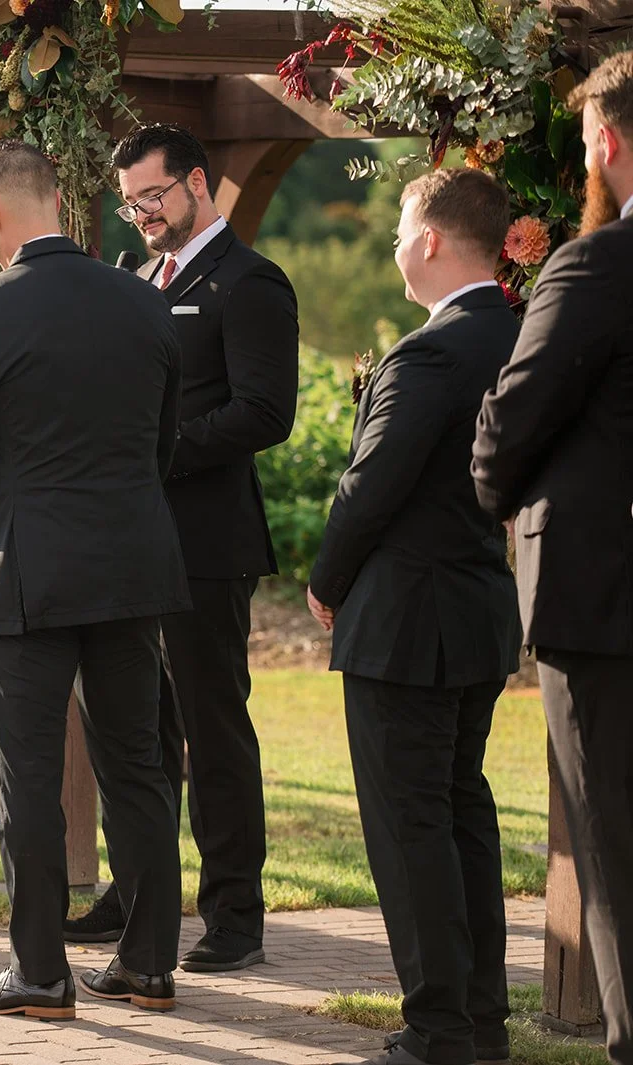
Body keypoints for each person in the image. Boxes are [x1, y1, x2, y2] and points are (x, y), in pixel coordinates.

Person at [0, 140, 188, 1020]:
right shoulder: (145, 301)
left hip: (26, 573)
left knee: (29, 780)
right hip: (132, 565)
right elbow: (162, 441)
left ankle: (40, 973)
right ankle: (150, 965)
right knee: (140, 770)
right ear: (59, 203)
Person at [65, 123, 298, 974]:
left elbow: (267, 412)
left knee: (211, 729)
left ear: (198, 182)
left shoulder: (251, 282)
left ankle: (235, 914)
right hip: (128, 542)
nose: (142, 216)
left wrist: (155, 450)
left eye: (153, 197)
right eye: (130, 204)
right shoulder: (132, 280)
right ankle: (137, 895)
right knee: (137, 730)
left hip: (207, 542)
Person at [307, 168, 520, 1065]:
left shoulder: (430, 352)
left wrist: (326, 578)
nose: (395, 245)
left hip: (406, 622)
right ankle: (480, 1021)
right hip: (477, 610)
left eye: (401, 228)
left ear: (431, 239)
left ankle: (436, 1029)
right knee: (463, 814)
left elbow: (372, 484)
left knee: (412, 824)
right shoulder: (522, 331)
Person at [472, 50, 633, 1065]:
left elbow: (509, 423)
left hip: (605, 593)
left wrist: (496, 499)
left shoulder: (593, 266)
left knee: (615, 845)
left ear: (607, 144)